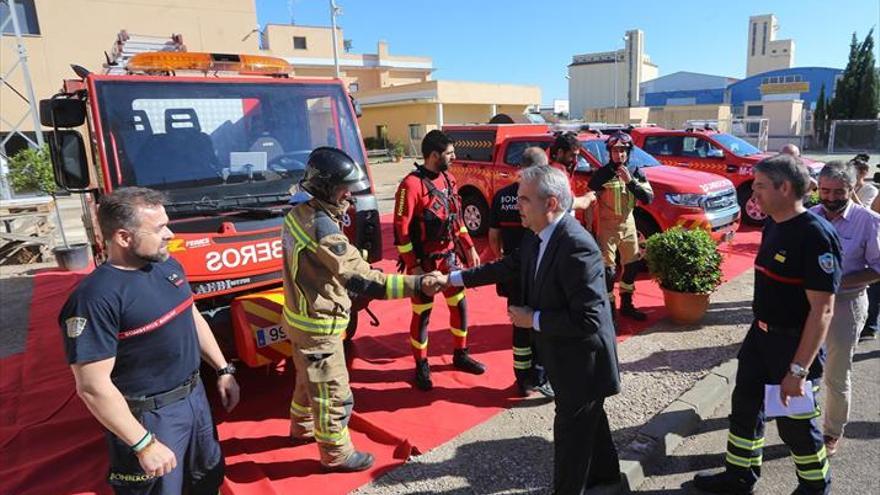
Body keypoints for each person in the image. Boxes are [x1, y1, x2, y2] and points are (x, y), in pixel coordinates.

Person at [446, 165, 622, 494]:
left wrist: (533, 319)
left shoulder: (576, 246)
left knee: (570, 444)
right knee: (591, 424)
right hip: (566, 359)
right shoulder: (537, 236)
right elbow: (506, 266)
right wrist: (451, 279)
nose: (517, 205)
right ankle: (608, 479)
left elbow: (589, 320)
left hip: (583, 366)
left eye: (524, 199)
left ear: (551, 203)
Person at [59, 187, 240, 494]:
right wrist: (143, 444)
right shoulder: (94, 299)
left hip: (195, 398)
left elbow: (191, 316)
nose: (169, 234)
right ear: (124, 237)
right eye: (159, 229)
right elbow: (92, 386)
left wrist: (223, 369)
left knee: (206, 480)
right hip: (150, 418)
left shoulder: (168, 266)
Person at [283, 147, 443, 472]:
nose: (349, 196)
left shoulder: (297, 214)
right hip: (319, 327)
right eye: (343, 189)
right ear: (325, 188)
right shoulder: (322, 229)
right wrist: (419, 283)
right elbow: (366, 281)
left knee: (305, 376)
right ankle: (336, 453)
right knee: (332, 391)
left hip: (297, 320)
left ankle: (300, 427)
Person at [694, 154, 842, 495]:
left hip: (792, 348)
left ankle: (814, 487)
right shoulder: (774, 222)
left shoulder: (816, 236)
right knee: (744, 407)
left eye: (760, 186)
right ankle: (739, 476)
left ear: (785, 187)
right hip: (760, 339)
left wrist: (798, 370)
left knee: (796, 426)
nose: (754, 194)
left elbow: (822, 310)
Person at [393, 129, 486, 391]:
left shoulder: (450, 179)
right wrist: (414, 265)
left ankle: (460, 354)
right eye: (449, 153)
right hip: (423, 263)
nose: (454, 156)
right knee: (422, 314)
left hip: (449, 258)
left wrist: (469, 248)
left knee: (460, 305)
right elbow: (401, 229)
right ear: (434, 155)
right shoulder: (411, 185)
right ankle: (421, 364)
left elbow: (455, 219)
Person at [809, 161, 880, 456]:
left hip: (845, 305)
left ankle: (831, 432)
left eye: (839, 191)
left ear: (852, 190)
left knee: (836, 375)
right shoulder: (810, 216)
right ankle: (801, 421)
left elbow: (878, 268)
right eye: (825, 190)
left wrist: (836, 283)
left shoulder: (869, 221)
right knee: (804, 366)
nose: (830, 197)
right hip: (810, 304)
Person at [487, 146, 554, 397]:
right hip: (538, 274)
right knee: (539, 323)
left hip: (512, 274)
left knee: (518, 325)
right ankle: (539, 375)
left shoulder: (502, 195)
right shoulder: (540, 197)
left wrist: (502, 260)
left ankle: (522, 380)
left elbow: (493, 237)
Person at [588, 132, 654, 324]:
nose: (620, 154)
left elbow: (648, 199)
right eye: (616, 150)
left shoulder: (635, 171)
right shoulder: (601, 174)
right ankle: (610, 313)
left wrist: (630, 182)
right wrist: (590, 229)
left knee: (632, 267)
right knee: (608, 272)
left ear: (629, 152)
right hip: (607, 227)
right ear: (610, 152)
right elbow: (591, 200)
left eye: (623, 150)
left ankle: (626, 306)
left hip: (629, 225)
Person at [851, 156, 880, 342]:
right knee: (874, 288)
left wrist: (851, 193)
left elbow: (868, 213)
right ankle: (869, 325)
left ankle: (870, 326)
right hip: (871, 236)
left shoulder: (870, 189)